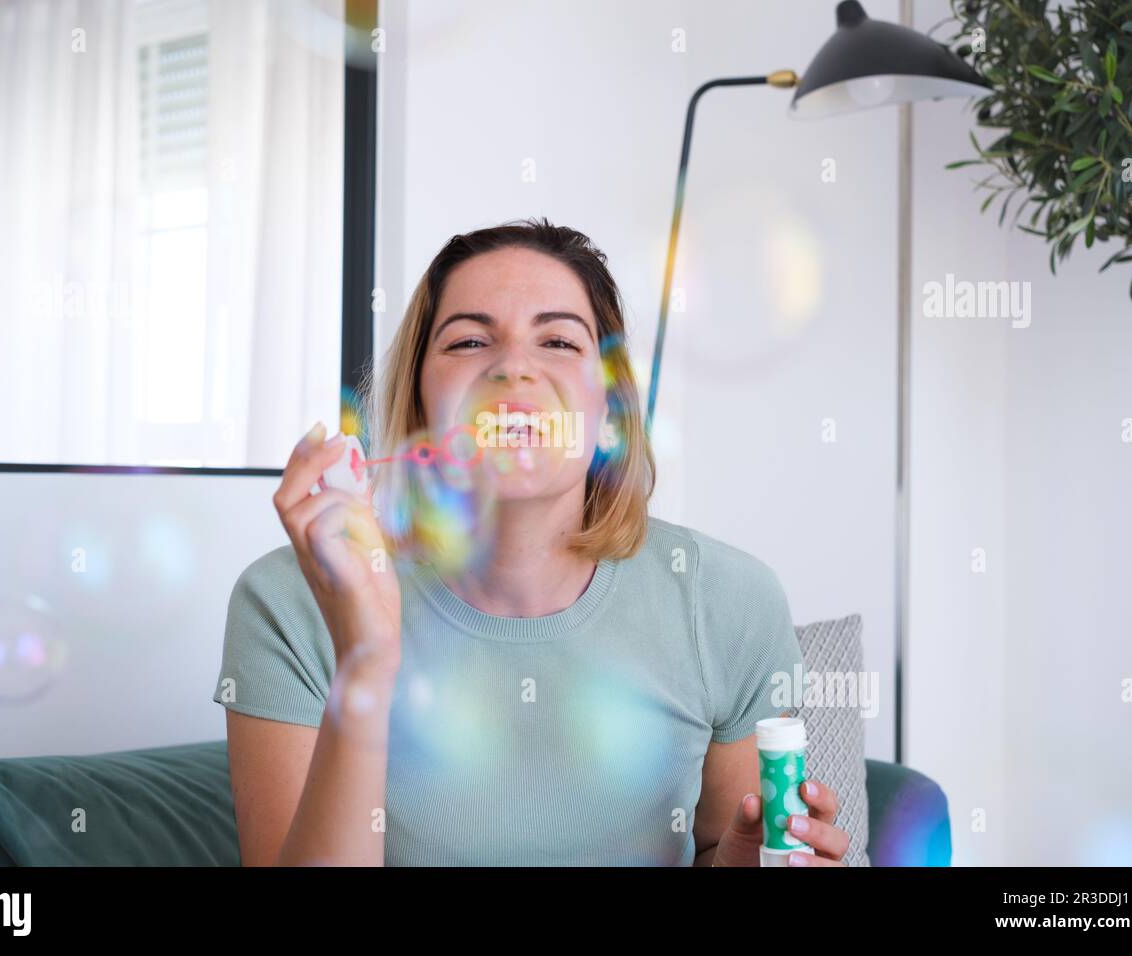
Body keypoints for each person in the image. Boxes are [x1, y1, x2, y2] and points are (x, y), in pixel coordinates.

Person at [212, 217, 851, 866]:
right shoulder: (289, 601)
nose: (514, 369)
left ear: (609, 408)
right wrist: (365, 659)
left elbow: (723, 844)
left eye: (557, 341)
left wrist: (746, 858)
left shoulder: (729, 600)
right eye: (467, 341)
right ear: (422, 401)